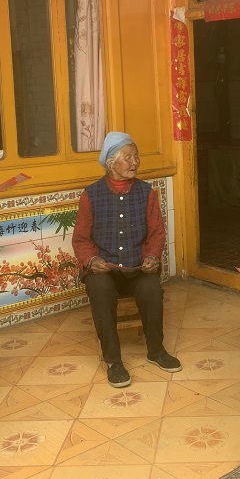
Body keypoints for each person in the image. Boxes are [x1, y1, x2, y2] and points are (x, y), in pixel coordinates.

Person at [72, 132, 181, 388]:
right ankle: (113, 361)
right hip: (105, 270)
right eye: (128, 157)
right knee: (100, 290)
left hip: (137, 268)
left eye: (136, 156)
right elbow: (80, 239)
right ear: (112, 163)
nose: (135, 162)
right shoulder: (91, 195)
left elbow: (157, 232)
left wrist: (152, 256)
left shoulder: (146, 193)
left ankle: (156, 351)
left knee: (152, 289)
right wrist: (92, 259)